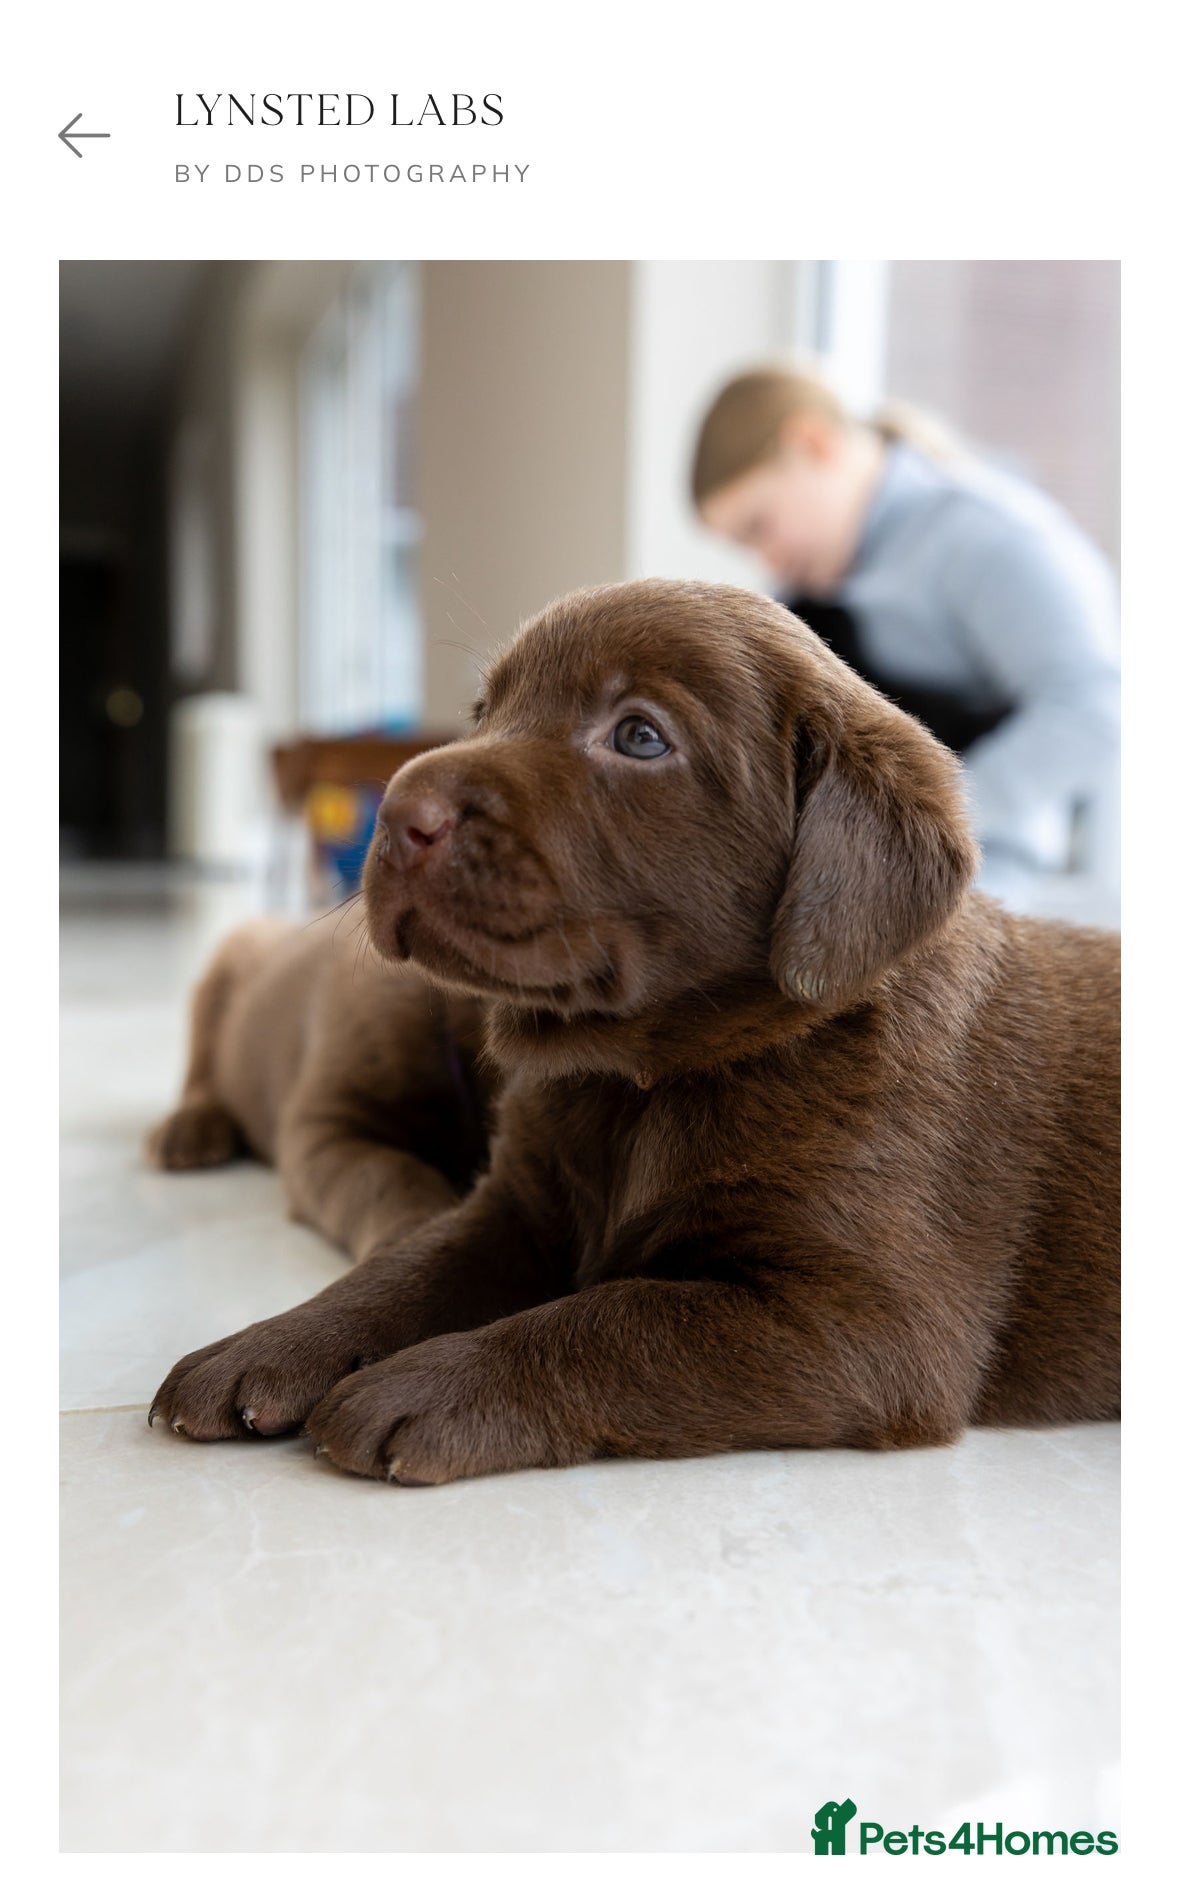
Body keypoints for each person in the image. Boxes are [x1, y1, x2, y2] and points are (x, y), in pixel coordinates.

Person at [691, 363, 1120, 912]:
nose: (768, 560)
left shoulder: (988, 542)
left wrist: (917, 823)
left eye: (760, 526)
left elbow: (1096, 710)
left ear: (813, 444)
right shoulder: (814, 589)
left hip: (981, 884)